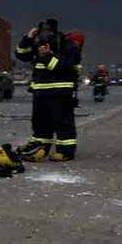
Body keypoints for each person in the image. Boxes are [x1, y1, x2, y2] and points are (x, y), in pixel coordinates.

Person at [14, 18, 81, 161]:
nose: (45, 34)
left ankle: (65, 151)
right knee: (40, 124)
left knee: (63, 123)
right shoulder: (38, 45)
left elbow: (62, 68)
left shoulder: (67, 46)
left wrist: (47, 55)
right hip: (40, 93)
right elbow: (21, 54)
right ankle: (40, 150)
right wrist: (29, 38)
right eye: (42, 32)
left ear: (55, 31)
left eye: (48, 31)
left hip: (60, 93)